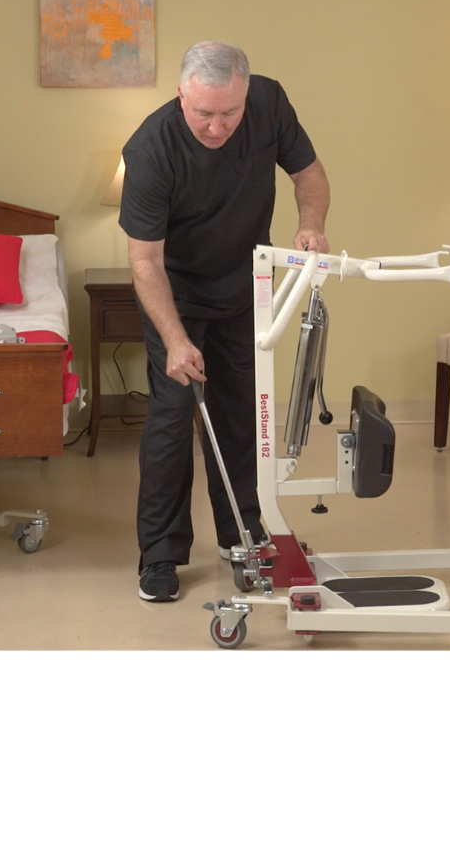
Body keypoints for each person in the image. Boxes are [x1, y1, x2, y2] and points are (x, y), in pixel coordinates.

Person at [119, 41, 330, 602]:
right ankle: (160, 557)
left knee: (242, 414)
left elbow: (309, 175)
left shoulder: (270, 103)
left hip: (244, 285)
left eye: (229, 113)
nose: (217, 126)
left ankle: (243, 535)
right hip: (176, 294)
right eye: (203, 113)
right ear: (181, 95)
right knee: (171, 417)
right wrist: (175, 340)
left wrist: (310, 225)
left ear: (246, 93)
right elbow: (145, 261)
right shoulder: (150, 149)